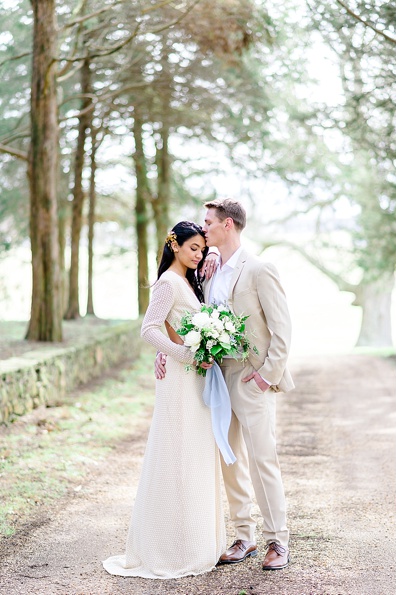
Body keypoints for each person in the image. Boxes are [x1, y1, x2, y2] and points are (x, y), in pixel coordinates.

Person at [156, 198, 294, 571]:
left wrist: (267, 376)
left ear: (227, 225)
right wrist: (165, 350)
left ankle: (277, 541)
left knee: (263, 458)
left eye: (208, 222)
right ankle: (244, 537)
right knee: (229, 458)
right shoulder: (207, 270)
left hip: (251, 377)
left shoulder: (260, 269)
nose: (204, 228)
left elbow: (283, 329)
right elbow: (183, 318)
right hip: (215, 376)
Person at [104, 221, 226, 579]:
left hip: (196, 379)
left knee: (197, 454)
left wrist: (213, 251)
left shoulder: (189, 281)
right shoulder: (167, 283)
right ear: (174, 246)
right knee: (178, 454)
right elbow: (149, 329)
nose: (199, 254)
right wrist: (182, 354)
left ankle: (198, 539)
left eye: (202, 249)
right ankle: (171, 547)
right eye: (193, 249)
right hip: (179, 380)